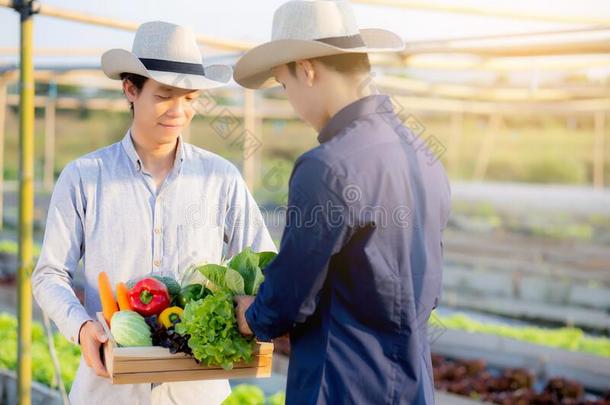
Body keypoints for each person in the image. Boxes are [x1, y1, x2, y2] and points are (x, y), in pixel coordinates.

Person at [32, 21, 275, 405]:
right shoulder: (84, 177)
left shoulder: (220, 178)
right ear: (131, 89)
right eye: (165, 96)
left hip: (198, 389)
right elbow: (48, 275)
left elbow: (265, 261)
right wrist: (81, 328)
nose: (179, 111)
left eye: (190, 98)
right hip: (109, 389)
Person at [233, 1, 451, 404]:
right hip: (413, 386)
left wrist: (249, 314)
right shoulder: (423, 154)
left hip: (338, 387)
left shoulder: (327, 167)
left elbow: (288, 301)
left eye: (284, 85)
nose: (291, 101)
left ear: (308, 69)